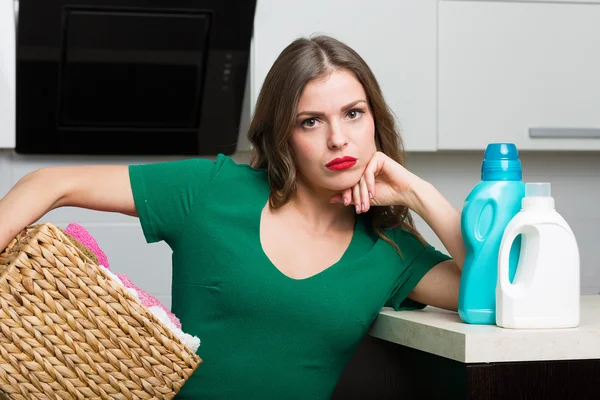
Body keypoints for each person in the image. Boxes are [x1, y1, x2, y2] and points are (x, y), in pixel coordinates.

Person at [0, 35, 464, 399]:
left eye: (353, 113)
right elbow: (48, 182)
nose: (338, 139)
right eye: (311, 121)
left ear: (375, 121)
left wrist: (417, 192)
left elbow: (494, 294)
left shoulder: (390, 249)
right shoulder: (213, 189)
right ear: (283, 133)